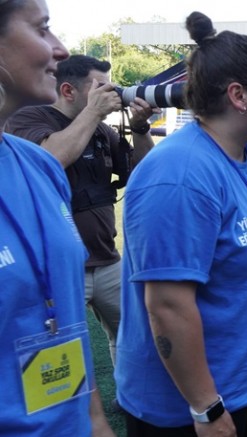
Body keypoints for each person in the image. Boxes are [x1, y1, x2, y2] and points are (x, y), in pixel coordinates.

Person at [115, 11, 247, 437]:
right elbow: (168, 306)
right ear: (238, 95)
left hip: (242, 386)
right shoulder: (180, 174)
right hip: (188, 409)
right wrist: (206, 408)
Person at [0, 1, 113, 435]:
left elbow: (66, 319)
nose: (61, 49)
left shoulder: (39, 166)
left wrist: (95, 419)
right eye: (42, 28)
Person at [6, 54, 156, 367]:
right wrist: (93, 113)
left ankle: (128, 392)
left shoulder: (100, 129)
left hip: (106, 258)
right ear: (68, 91)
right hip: (58, 265)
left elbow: (142, 174)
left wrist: (140, 128)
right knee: (57, 351)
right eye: (100, 86)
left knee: (137, 335)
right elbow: (49, 162)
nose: (110, 92)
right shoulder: (28, 119)